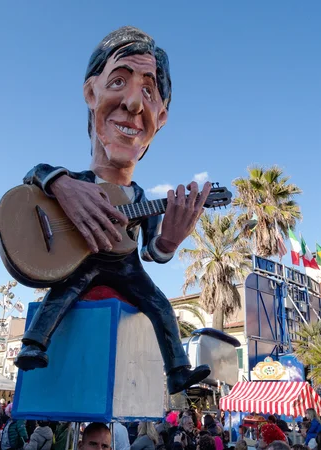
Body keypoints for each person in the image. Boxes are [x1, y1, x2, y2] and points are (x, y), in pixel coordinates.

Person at [12, 26, 212, 396]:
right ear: (91, 92)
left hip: (125, 266)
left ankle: (177, 370)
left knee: (160, 305)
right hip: (83, 259)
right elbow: (34, 174)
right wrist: (61, 184)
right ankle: (33, 345)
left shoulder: (140, 197)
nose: (135, 104)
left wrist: (168, 241)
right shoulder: (77, 180)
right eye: (119, 81)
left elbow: (152, 251)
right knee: (61, 293)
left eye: (148, 92)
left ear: (161, 116)